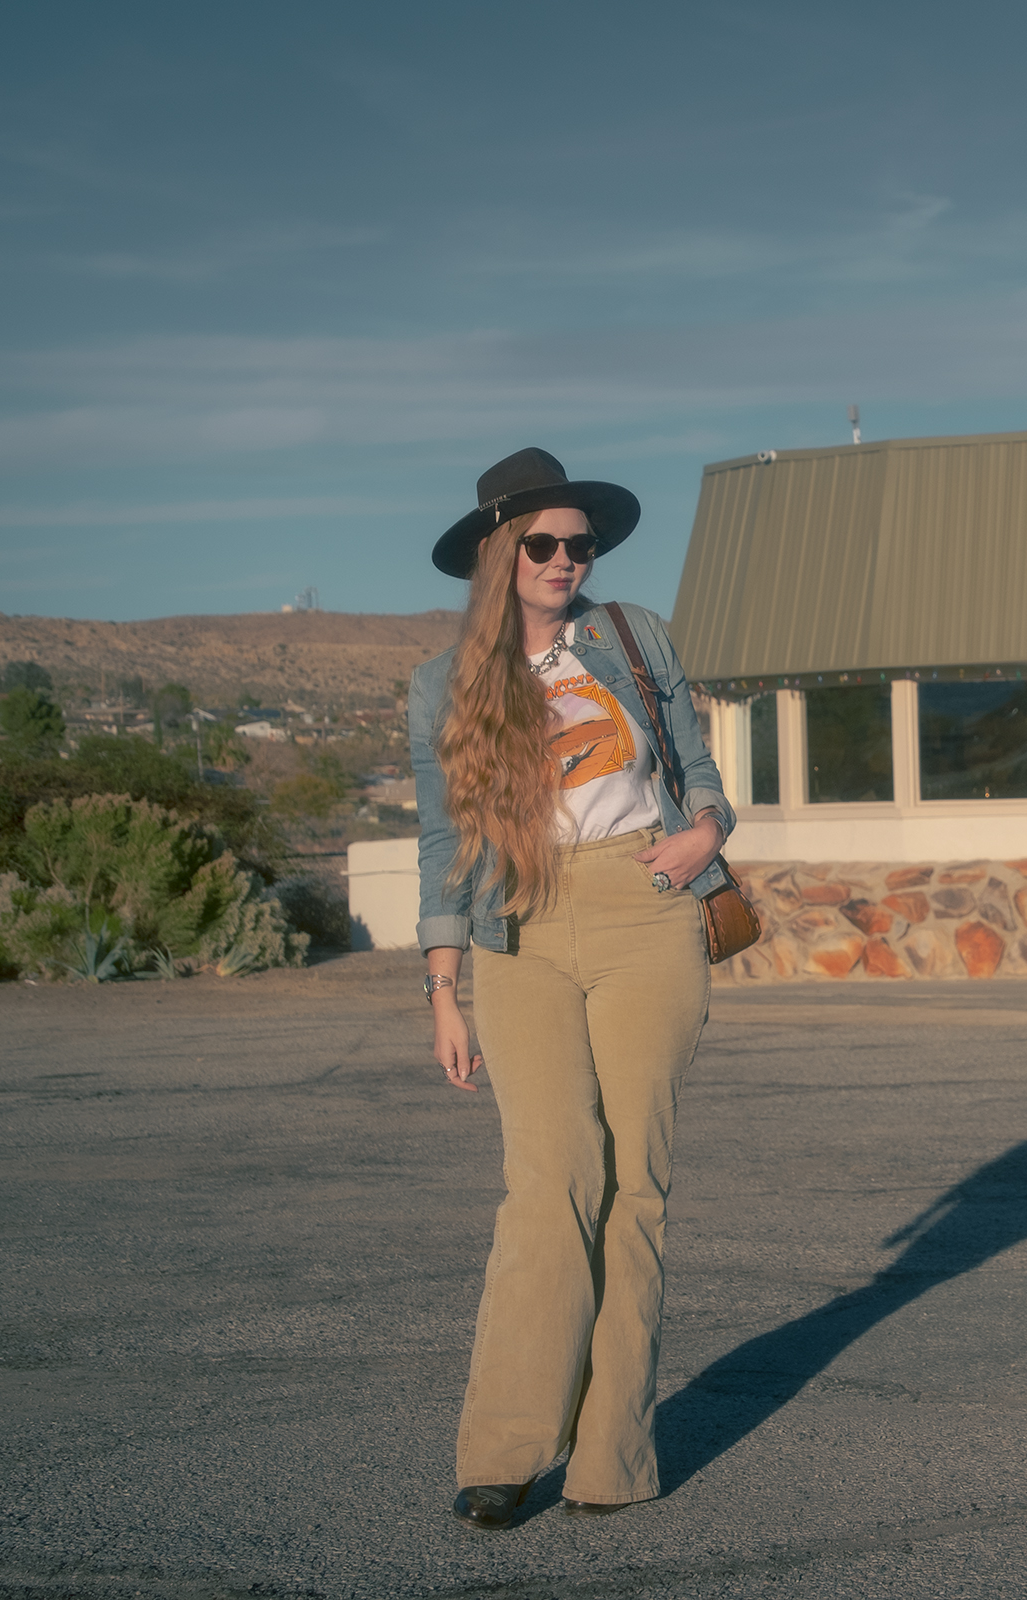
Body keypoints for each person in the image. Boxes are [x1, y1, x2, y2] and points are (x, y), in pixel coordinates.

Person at [410, 447, 735, 1530]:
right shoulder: (443, 683)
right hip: (519, 924)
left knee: (634, 1183)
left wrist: (703, 840)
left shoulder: (633, 636)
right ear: (502, 553)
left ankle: (611, 1459)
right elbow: (442, 839)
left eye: (578, 543)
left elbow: (698, 769)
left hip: (645, 907)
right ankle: (503, 1449)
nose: (564, 560)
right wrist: (443, 983)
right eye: (542, 543)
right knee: (549, 1183)